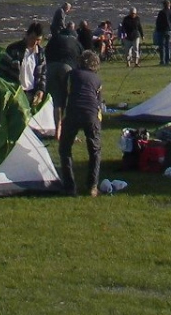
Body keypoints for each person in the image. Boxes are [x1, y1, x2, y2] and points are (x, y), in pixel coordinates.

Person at [58, 49, 105, 196]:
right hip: (91, 114)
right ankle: (92, 186)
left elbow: (63, 97)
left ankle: (70, 187)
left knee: (65, 149)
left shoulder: (70, 75)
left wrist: (59, 122)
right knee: (95, 150)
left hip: (73, 112)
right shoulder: (97, 80)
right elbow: (99, 103)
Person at [45, 24, 82, 140]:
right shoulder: (75, 42)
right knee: (69, 100)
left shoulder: (54, 39)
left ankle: (58, 131)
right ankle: (69, 133)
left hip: (51, 67)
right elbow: (81, 58)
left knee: (57, 101)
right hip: (67, 67)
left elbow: (45, 53)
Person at [12, 22, 47, 104]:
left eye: (38, 40)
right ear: (26, 35)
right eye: (32, 38)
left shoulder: (40, 53)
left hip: (32, 93)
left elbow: (43, 74)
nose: (35, 42)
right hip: (15, 92)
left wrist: (41, 90)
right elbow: (4, 71)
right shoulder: (14, 49)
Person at [154, 2, 171, 66]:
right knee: (168, 45)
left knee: (162, 46)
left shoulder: (161, 12)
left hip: (162, 31)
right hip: (169, 30)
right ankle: (168, 60)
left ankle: (162, 60)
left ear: (163, 5)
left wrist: (157, 29)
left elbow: (157, 22)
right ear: (169, 5)